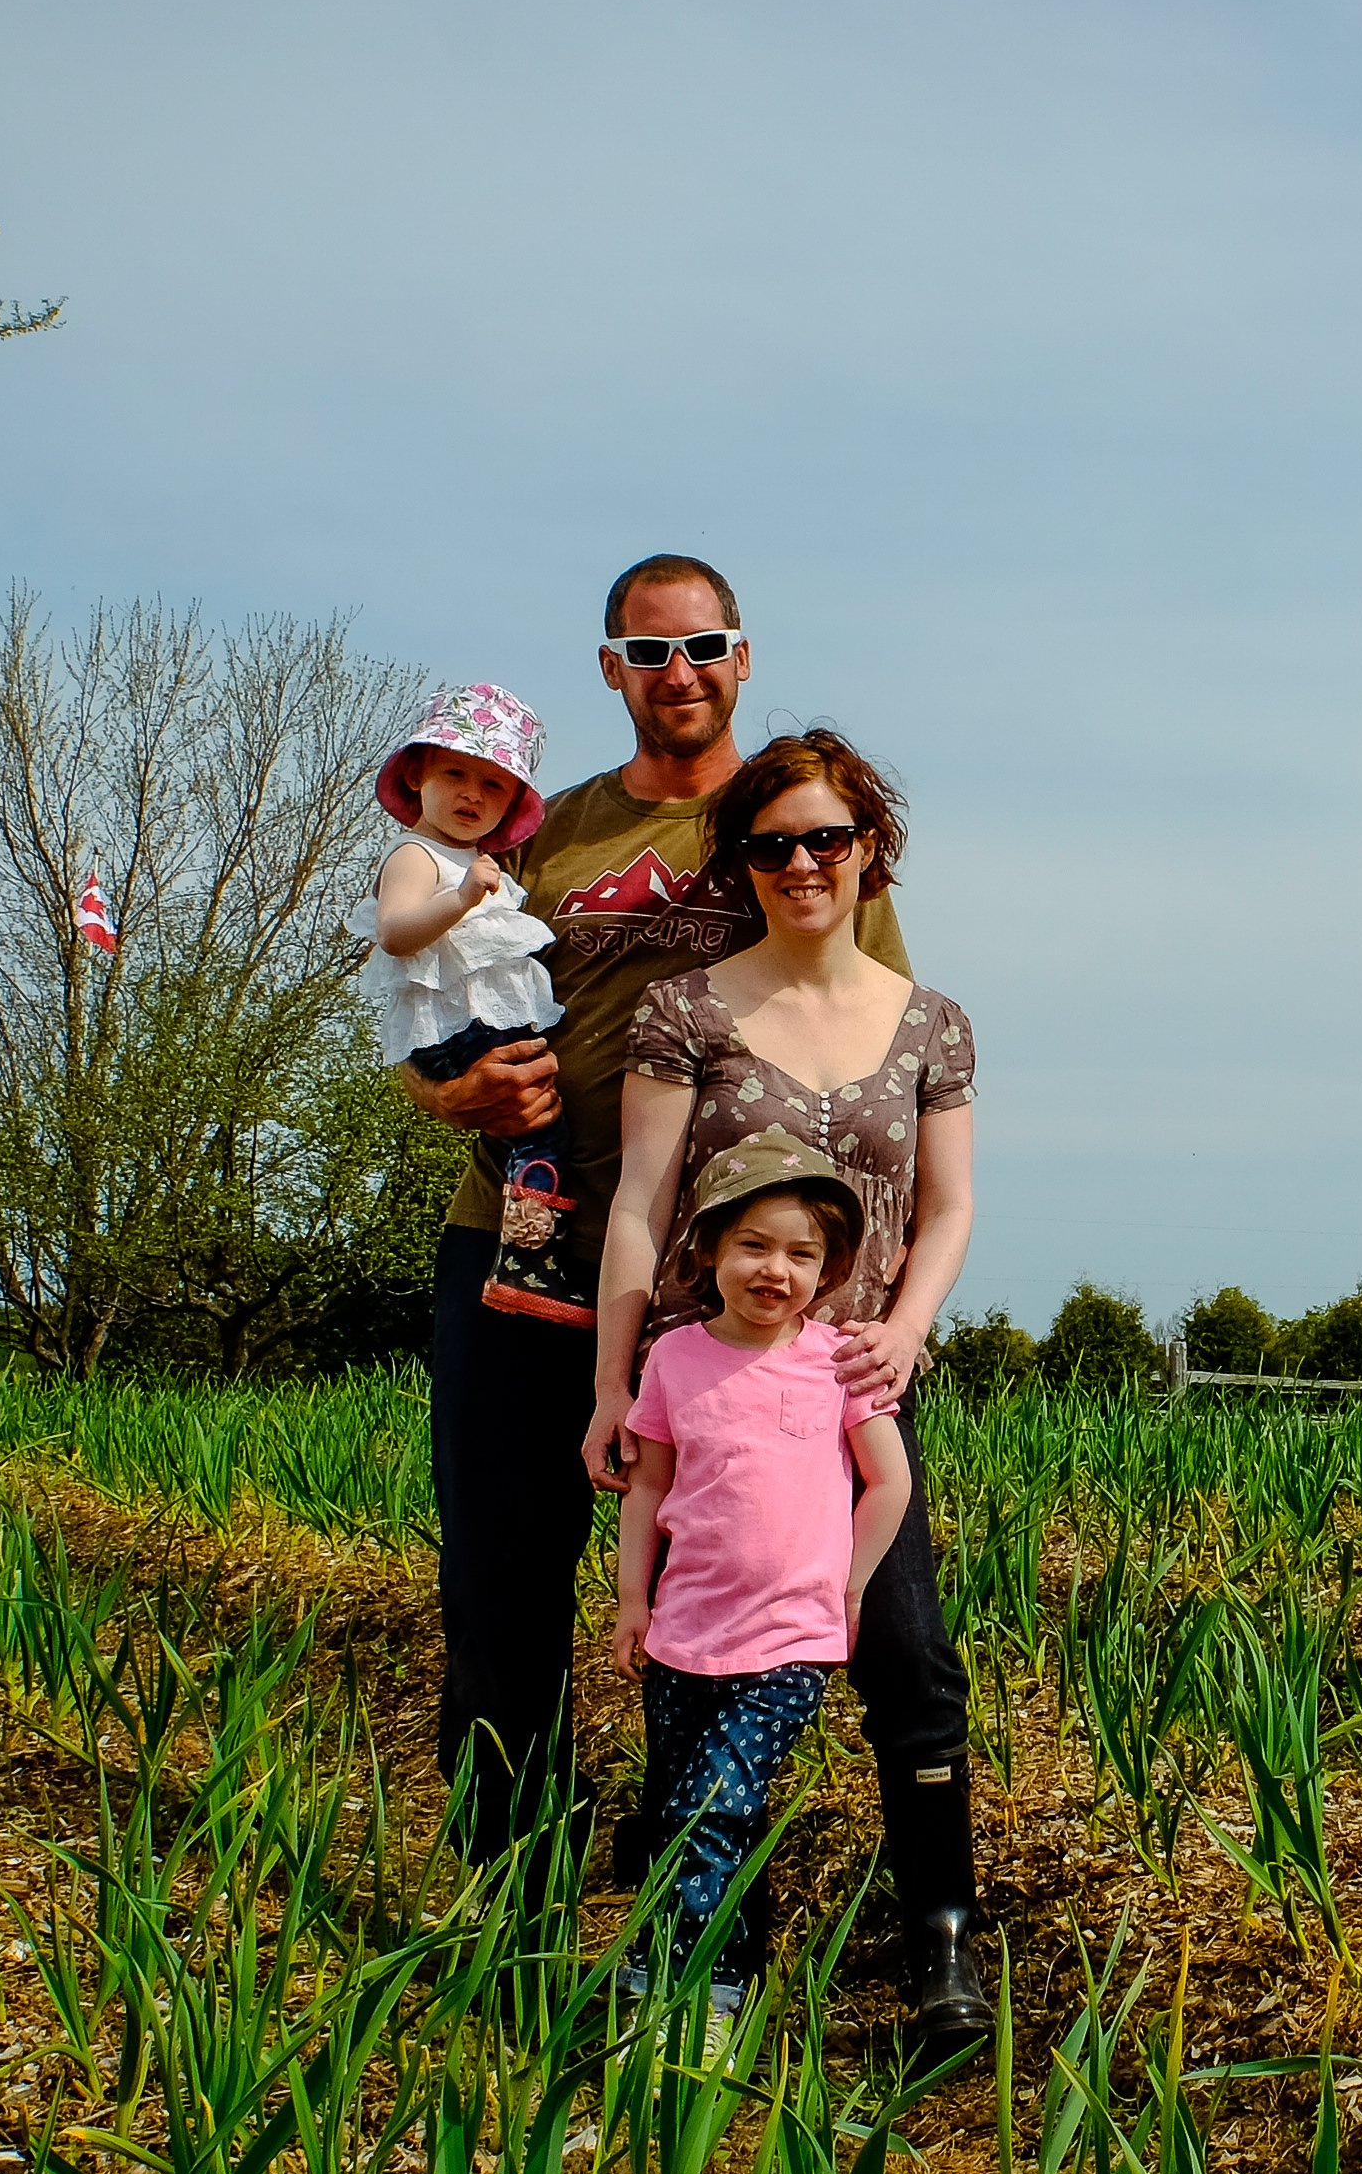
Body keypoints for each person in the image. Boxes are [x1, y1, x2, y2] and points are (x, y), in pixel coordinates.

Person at [398, 556, 990, 2048]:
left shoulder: (799, 820)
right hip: (531, 1258)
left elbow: (878, 1054)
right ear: (610, 668)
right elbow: (432, 994)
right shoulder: (549, 830)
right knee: (504, 1611)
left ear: (743, 657)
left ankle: (751, 1923)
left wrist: (883, 1306)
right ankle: (517, 1933)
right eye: (648, 650)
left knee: (780, 1612)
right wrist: (446, 1091)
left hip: (749, 1300)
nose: (681, 670)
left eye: (706, 645)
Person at [587, 723, 982, 2041]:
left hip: (856, 1383)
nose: (803, 863)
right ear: (742, 865)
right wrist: (612, 1385)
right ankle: (711, 1956)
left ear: (873, 851)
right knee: (692, 1666)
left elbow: (948, 1205)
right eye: (773, 845)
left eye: (829, 837)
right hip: (713, 1389)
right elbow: (640, 1206)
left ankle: (939, 1949)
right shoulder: (685, 1012)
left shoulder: (931, 1024)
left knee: (909, 1656)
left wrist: (909, 1329)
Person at [608, 1130, 917, 2029]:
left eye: (800, 1253)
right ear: (707, 1251)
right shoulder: (671, 1359)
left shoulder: (838, 1359)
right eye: (752, 1245)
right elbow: (649, 1488)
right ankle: (732, 1971)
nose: (774, 1269)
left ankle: (680, 1991)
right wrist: (633, 1601)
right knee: (688, 1813)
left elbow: (888, 1479)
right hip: (681, 1635)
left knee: (713, 1807)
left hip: (789, 1639)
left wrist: (850, 1589)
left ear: (828, 1271)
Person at [355, 682, 579, 1322]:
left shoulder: (475, 860)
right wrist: (460, 899)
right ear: (419, 771)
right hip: (455, 1029)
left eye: (495, 785)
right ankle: (529, 1261)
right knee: (544, 1131)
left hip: (477, 1021)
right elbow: (396, 934)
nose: (472, 795)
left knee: (540, 1128)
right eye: (456, 772)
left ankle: (532, 1255)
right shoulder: (415, 855)